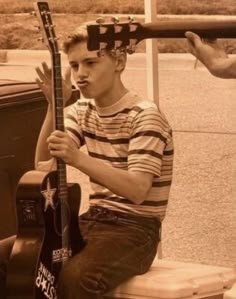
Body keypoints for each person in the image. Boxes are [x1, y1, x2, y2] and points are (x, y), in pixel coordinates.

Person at [0, 23, 174, 299]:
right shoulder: (82, 110)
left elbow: (138, 190)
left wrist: (78, 158)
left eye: (90, 63)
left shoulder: (144, 116)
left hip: (136, 231)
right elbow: (43, 166)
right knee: (8, 256)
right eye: (75, 65)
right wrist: (53, 105)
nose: (81, 74)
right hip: (93, 219)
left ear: (119, 61)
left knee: (76, 278)